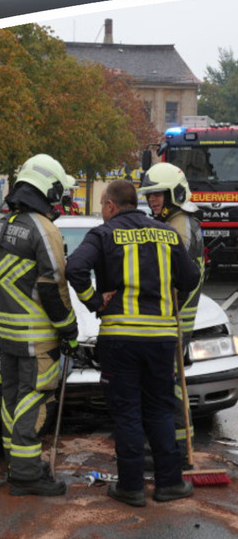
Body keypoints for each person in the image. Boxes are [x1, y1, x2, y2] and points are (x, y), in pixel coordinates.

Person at [65, 179, 199, 507]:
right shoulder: (167, 233)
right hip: (161, 339)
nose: (101, 212)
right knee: (160, 410)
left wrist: (95, 301)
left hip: (120, 339)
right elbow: (191, 277)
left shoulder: (103, 233)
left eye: (102, 207)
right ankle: (169, 484)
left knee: (127, 413)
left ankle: (131, 487)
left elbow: (75, 268)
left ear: (111, 205)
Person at [0, 153, 79, 496]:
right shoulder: (43, 229)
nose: (60, 198)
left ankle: (16, 464)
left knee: (12, 399)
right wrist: (69, 328)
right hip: (37, 338)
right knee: (34, 399)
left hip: (8, 335)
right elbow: (52, 285)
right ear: (48, 187)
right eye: (58, 191)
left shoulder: (2, 224)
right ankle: (27, 475)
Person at [137, 162, 205, 463]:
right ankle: (171, 444)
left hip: (175, 320)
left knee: (170, 387)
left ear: (175, 193)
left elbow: (180, 277)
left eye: (158, 195)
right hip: (171, 319)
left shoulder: (182, 227)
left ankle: (176, 449)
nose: (152, 201)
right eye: (150, 196)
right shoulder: (176, 222)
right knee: (168, 385)